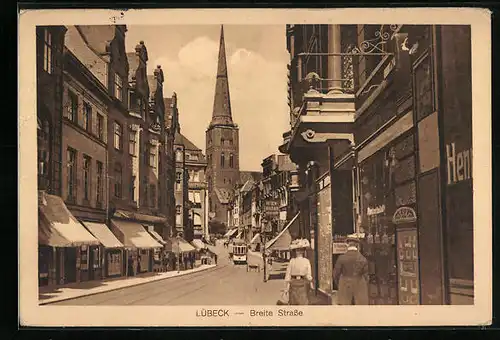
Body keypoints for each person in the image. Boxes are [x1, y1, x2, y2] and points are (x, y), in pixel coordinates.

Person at [333, 235, 369, 305]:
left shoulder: (341, 258)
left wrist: (340, 284)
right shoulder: (363, 259)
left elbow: (335, 274)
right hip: (359, 288)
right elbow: (366, 277)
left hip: (345, 287)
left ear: (347, 245)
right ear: (357, 245)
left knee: (345, 313)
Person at [284, 239, 313, 305]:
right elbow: (288, 275)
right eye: (298, 250)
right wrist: (286, 288)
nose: (299, 251)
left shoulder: (305, 261)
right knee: (297, 301)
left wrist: (310, 283)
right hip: (297, 283)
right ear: (295, 251)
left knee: (299, 301)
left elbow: (308, 275)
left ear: (303, 251)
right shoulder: (294, 261)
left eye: (301, 250)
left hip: (301, 283)